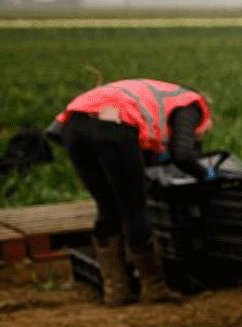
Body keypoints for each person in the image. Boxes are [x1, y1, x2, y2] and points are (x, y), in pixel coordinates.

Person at [49, 78, 216, 306]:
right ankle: (153, 288)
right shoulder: (191, 105)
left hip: (73, 127)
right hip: (114, 125)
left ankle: (116, 291)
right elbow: (183, 154)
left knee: (107, 207)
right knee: (134, 210)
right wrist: (204, 174)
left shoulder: (158, 94)